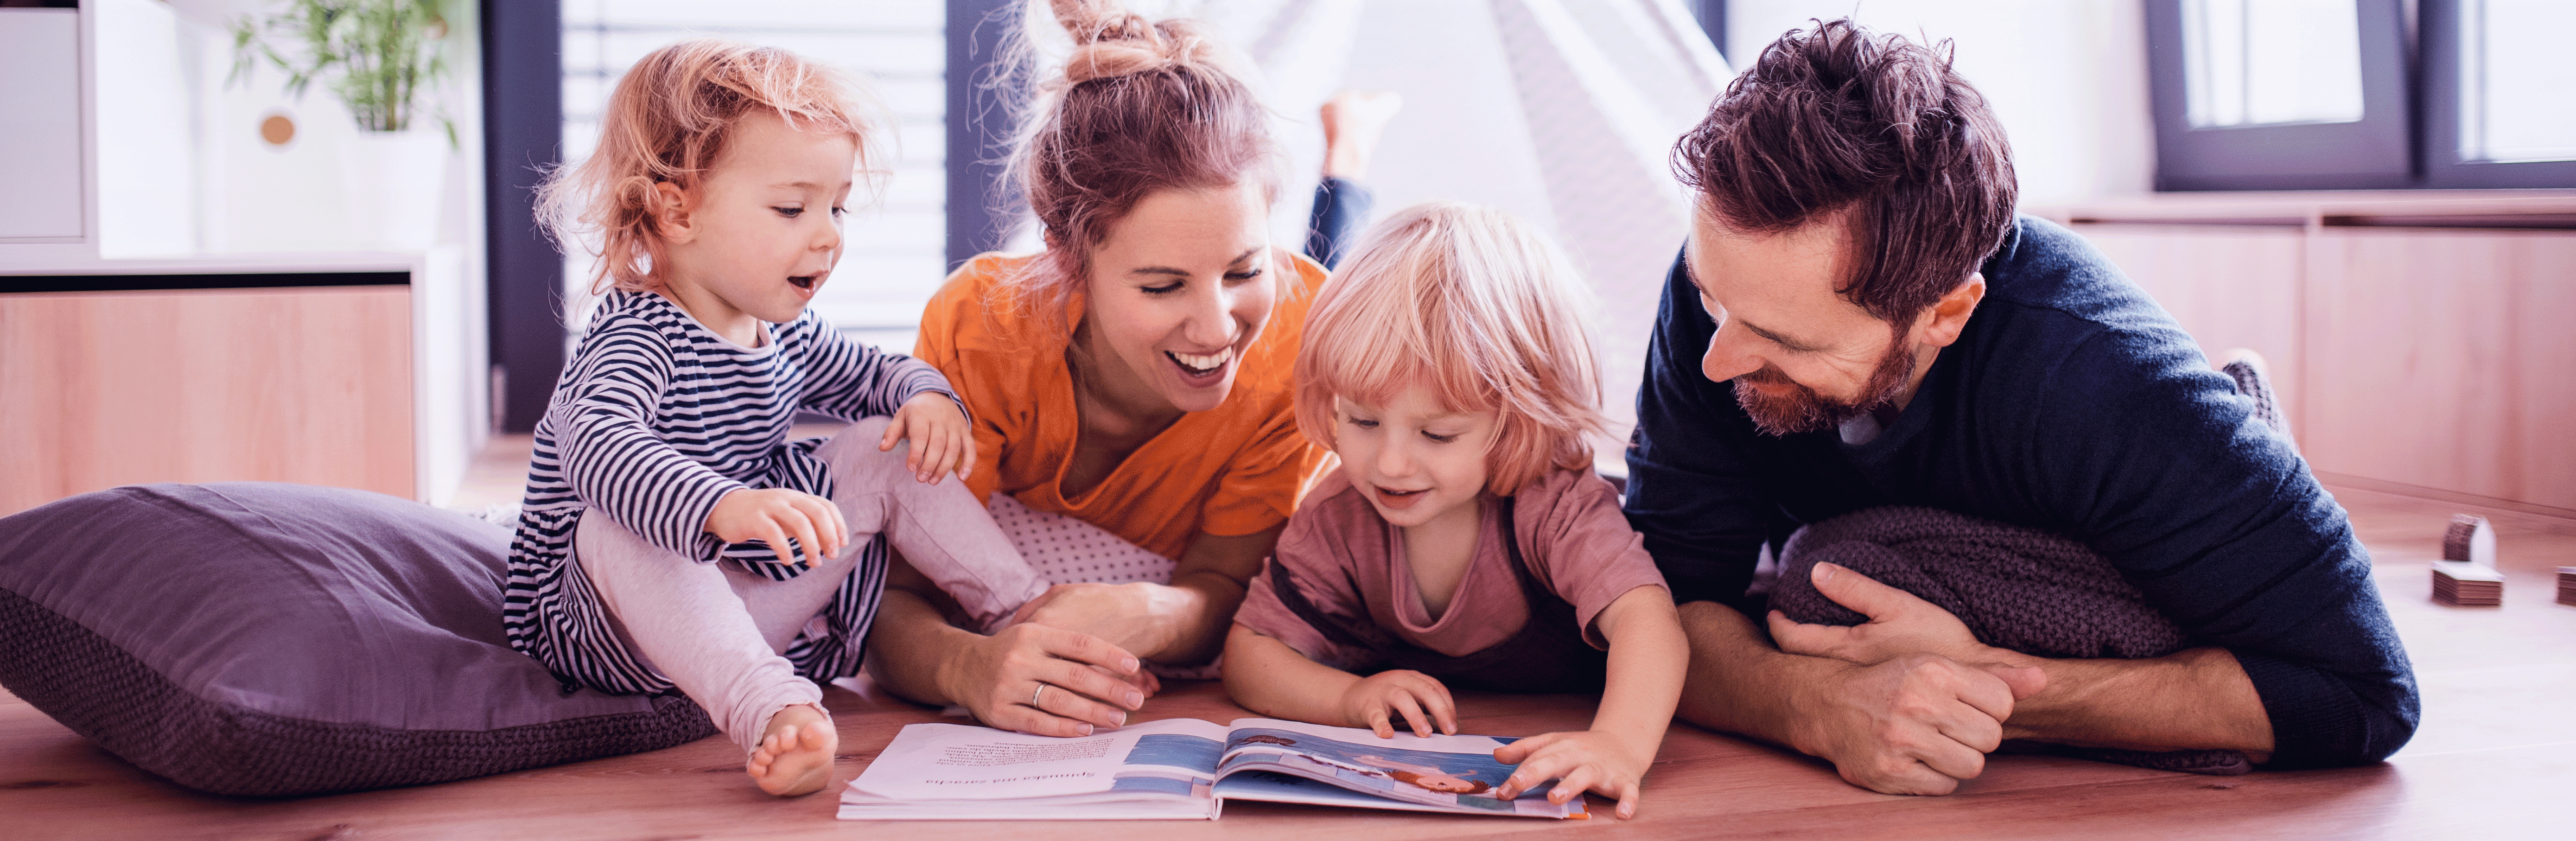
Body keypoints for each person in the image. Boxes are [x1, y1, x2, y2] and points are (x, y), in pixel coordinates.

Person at [1622, 20, 2417, 795]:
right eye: (1710, 295)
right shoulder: (1729, 293)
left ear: (1945, 313)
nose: (1715, 360)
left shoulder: (2105, 383)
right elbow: (1659, 606)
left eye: (1780, 338)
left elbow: (2366, 691)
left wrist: (1994, 690)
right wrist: (1810, 706)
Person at [505, 39, 1049, 796]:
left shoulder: (781, 331)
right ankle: (774, 709)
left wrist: (926, 396)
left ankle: (1028, 609)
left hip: (738, 597)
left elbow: (875, 373)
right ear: (676, 208)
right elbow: (595, 447)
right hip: (610, 625)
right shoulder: (637, 336)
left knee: (879, 444)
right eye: (793, 208)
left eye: (837, 206)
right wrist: (720, 504)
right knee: (613, 523)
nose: (828, 235)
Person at [862, 0, 1396, 739]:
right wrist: (968, 668)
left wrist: (1152, 608)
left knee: (1344, 255)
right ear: (1067, 257)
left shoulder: (1296, 342)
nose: (1217, 329)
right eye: (1161, 285)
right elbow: (888, 595)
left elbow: (1228, 589)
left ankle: (1351, 152)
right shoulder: (982, 329)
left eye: (1244, 269)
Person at [1223, 203, 1687, 820]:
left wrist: (1618, 744)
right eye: (1362, 420)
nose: (1389, 463)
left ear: (1516, 423)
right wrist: (1350, 697)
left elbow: (1651, 622)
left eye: (1436, 435)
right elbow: (1250, 653)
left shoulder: (1553, 502)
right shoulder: (1339, 514)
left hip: (1579, 717)